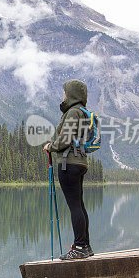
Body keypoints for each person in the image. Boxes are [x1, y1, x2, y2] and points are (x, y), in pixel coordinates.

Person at [43, 79, 93, 260]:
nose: (63, 95)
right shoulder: (83, 112)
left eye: (65, 92)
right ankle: (85, 246)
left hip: (68, 164)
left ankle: (79, 246)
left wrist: (51, 146)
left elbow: (65, 140)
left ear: (71, 94)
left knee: (74, 207)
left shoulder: (73, 112)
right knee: (79, 205)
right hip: (80, 162)